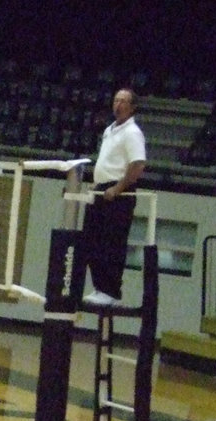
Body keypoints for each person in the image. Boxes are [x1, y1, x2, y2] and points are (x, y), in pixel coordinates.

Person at [82, 87, 146, 307]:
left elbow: (137, 165)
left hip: (118, 194)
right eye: (116, 100)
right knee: (92, 240)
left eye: (123, 101)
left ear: (132, 107)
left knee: (112, 242)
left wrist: (117, 189)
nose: (118, 104)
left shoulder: (132, 132)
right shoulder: (110, 130)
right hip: (102, 189)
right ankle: (100, 287)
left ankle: (111, 291)